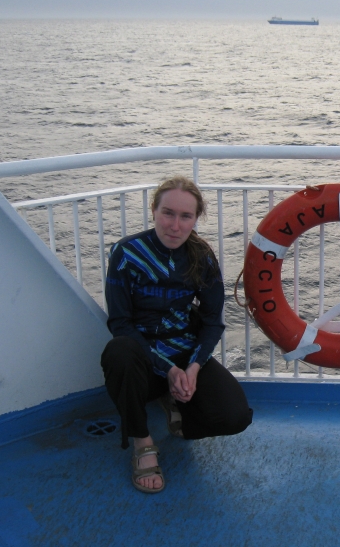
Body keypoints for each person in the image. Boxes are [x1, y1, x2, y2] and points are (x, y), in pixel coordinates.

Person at [101, 176, 253, 493]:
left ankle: (177, 407)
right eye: (168, 213)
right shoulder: (126, 254)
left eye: (186, 216)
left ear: (196, 219)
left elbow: (212, 322)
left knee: (235, 416)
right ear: (154, 210)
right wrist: (168, 370)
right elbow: (120, 322)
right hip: (142, 361)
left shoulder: (201, 256)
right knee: (119, 352)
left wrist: (193, 368)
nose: (175, 225)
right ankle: (142, 440)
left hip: (184, 354)